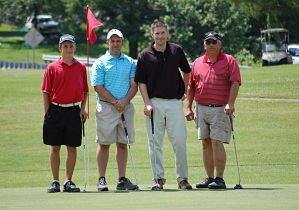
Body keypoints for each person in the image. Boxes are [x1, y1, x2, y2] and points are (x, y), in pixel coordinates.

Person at [135, 20, 192, 190]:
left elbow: (187, 71)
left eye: (162, 33)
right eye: (156, 33)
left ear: (167, 33)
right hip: (154, 103)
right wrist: (147, 103)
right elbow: (141, 83)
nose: (160, 36)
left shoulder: (176, 50)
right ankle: (158, 179)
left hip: (175, 103)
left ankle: (183, 179)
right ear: (152, 35)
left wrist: (184, 91)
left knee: (180, 141)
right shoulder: (145, 55)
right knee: (155, 143)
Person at [185, 31, 242, 189]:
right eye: (207, 42)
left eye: (213, 42)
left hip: (221, 109)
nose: (210, 45)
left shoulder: (229, 60)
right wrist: (188, 107)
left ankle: (220, 178)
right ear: (204, 44)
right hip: (201, 108)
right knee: (205, 142)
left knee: (217, 142)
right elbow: (191, 87)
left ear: (219, 44)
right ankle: (210, 178)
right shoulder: (197, 62)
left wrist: (231, 103)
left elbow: (235, 83)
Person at [90, 29, 138, 191]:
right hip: (106, 107)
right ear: (107, 43)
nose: (115, 44)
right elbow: (98, 86)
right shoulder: (100, 62)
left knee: (123, 144)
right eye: (112, 41)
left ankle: (121, 179)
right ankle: (101, 179)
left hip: (125, 107)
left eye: (118, 41)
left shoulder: (131, 62)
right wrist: (115, 101)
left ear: (122, 43)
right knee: (104, 144)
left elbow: (134, 85)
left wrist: (124, 102)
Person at [41, 34, 89, 193]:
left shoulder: (81, 67)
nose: (68, 49)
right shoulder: (52, 67)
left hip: (74, 111)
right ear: (60, 48)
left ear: (75, 47)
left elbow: (85, 91)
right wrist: (48, 112)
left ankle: (68, 181)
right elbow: (46, 92)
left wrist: (83, 109)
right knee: (55, 148)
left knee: (72, 147)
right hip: (55, 110)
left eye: (71, 46)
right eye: (65, 46)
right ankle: (55, 181)